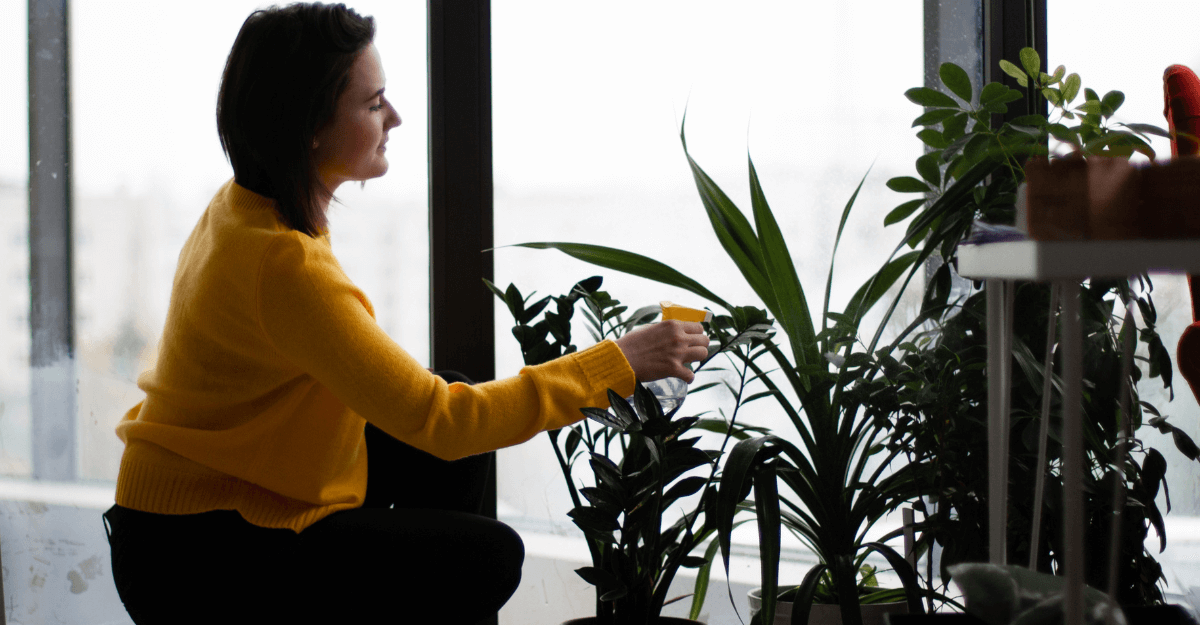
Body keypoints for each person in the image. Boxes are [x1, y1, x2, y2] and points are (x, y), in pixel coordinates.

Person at [100, 3, 709, 624]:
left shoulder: (247, 206)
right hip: (195, 550)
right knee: (487, 554)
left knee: (456, 454)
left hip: (196, 503)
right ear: (311, 126)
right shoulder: (282, 264)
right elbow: (439, 419)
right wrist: (616, 363)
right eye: (373, 104)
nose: (395, 117)